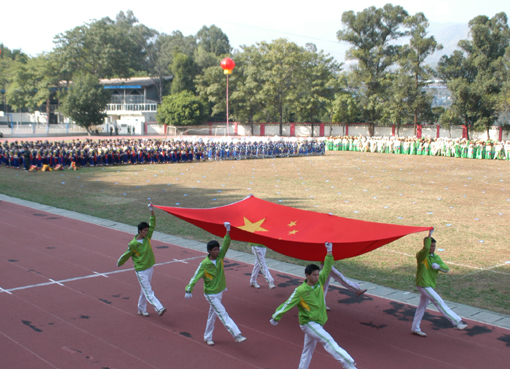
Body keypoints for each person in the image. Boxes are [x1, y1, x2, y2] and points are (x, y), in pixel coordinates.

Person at [270, 242, 357, 369]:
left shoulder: (320, 282)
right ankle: (348, 363)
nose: (317, 277)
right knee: (328, 340)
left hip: (318, 322)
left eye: (317, 274)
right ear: (307, 275)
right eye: (314, 275)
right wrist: (276, 316)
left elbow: (327, 267)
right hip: (308, 324)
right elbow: (287, 304)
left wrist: (329, 251)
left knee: (308, 350)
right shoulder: (300, 291)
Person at [185, 222, 246, 346]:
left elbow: (226, 244)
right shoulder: (204, 264)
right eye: (215, 250)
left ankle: (207, 337)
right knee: (222, 313)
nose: (218, 251)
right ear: (209, 251)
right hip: (210, 294)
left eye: (218, 249)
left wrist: (228, 230)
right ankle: (236, 334)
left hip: (219, 291)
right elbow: (195, 277)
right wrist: (188, 289)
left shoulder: (220, 257)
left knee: (212, 316)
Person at [411, 230, 467, 337]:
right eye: (431, 246)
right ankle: (456, 321)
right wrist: (429, 236)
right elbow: (426, 248)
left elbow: (446, 269)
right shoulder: (421, 255)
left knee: (422, 307)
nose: (433, 248)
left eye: (434, 246)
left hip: (429, 285)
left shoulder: (436, 257)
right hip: (423, 284)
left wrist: (439, 266)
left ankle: (415, 327)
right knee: (438, 301)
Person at [117, 203, 166, 318]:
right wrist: (119, 262)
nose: (147, 232)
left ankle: (141, 309)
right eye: (144, 230)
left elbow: (153, 225)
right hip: (141, 271)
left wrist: (152, 213)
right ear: (139, 231)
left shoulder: (147, 237)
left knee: (145, 289)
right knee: (148, 291)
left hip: (149, 267)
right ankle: (159, 308)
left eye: (147, 230)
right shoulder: (133, 244)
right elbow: (126, 254)